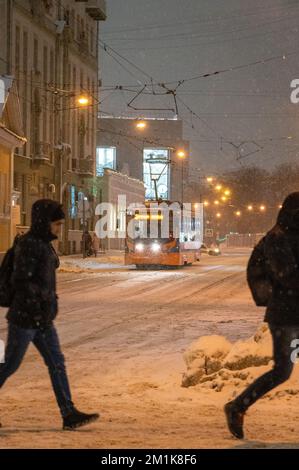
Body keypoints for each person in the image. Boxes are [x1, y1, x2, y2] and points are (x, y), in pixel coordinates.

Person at [0, 199, 99, 430]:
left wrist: (46, 307)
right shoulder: (29, 245)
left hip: (42, 319)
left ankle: (68, 413)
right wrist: (40, 304)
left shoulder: (43, 245)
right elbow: (22, 281)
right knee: (10, 365)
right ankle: (68, 412)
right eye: (56, 223)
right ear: (45, 222)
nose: (59, 228)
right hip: (25, 319)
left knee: (57, 363)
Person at [224, 192, 299, 439]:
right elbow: (287, 275)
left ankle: (238, 406)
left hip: (290, 313)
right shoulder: (277, 239)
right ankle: (238, 406)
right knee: (282, 370)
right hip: (286, 316)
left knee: (283, 369)